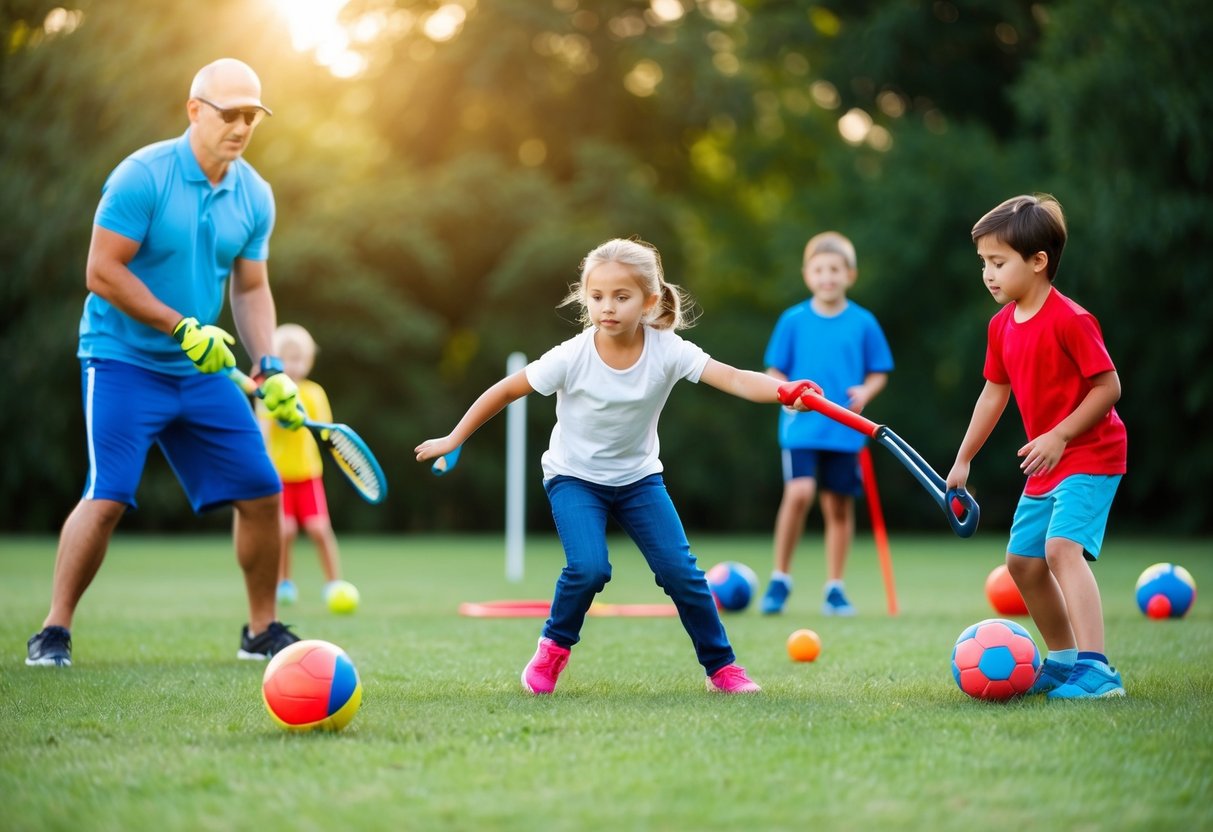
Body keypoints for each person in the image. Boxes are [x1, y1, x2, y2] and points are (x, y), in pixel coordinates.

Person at [415, 238, 813, 695]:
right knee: (589, 568)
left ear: (649, 300)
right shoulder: (572, 356)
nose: (607, 307)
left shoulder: (668, 350)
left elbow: (735, 378)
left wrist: (784, 393)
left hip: (639, 480)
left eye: (621, 297)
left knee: (682, 574)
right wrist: (454, 437)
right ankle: (551, 652)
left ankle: (722, 670)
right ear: (585, 297)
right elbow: (505, 390)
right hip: (574, 479)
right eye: (597, 296)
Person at [25, 58, 306, 668]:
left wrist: (269, 366)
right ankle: (53, 631)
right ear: (194, 109)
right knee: (110, 494)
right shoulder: (142, 176)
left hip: (199, 370)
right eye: (227, 113)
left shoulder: (254, 194)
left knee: (262, 490)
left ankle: (261, 631)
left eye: (251, 117)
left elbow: (251, 289)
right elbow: (101, 271)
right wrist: (179, 324)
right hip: (122, 358)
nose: (239, 126)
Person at [947, 194, 1127, 700]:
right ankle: (1066, 659)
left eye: (998, 262)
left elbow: (1108, 387)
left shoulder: (1071, 319)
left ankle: (1098, 670)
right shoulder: (1001, 326)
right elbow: (993, 393)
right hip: (1046, 461)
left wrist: (1060, 434)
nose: (988, 273)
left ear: (1038, 261)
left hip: (1090, 453)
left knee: (1060, 549)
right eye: (984, 262)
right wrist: (963, 458)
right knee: (1023, 563)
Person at [759, 231, 893, 616]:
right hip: (801, 427)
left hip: (844, 430)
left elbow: (878, 372)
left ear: (850, 274)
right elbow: (774, 368)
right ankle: (780, 579)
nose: (827, 277)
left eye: (835, 269)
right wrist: (784, 393)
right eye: (819, 270)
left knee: (837, 507)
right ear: (807, 275)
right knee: (799, 493)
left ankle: (835, 588)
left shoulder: (863, 322)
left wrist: (866, 392)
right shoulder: (793, 319)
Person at [259, 323, 351, 607]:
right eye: (287, 358)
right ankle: (284, 583)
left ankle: (334, 583)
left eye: (299, 359)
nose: (294, 366)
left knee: (319, 530)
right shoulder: (271, 392)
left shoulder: (314, 393)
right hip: (280, 476)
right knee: (284, 531)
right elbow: (262, 429)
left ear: (308, 360)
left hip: (309, 475)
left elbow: (326, 431)